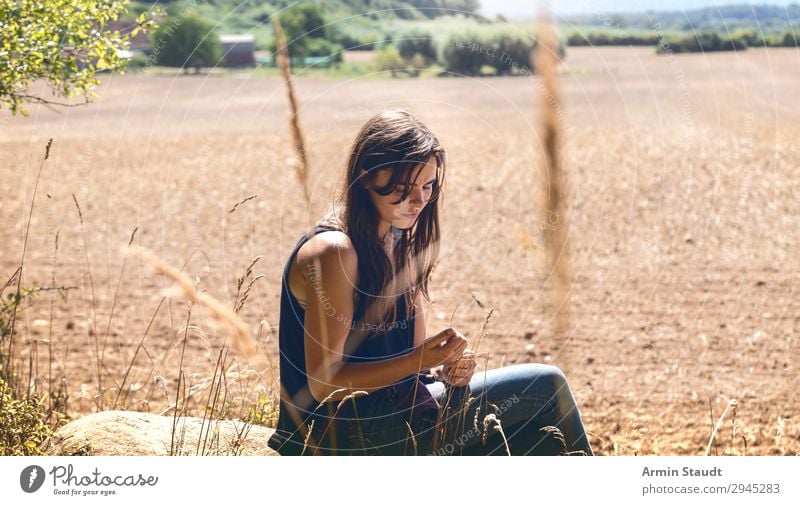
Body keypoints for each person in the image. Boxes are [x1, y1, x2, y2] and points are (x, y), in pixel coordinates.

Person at [267, 109, 593, 456]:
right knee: (547, 386)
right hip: (337, 433)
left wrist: (449, 372)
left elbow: (411, 364)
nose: (421, 200)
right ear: (365, 177)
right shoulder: (334, 252)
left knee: (537, 439)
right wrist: (416, 363)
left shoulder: (400, 243)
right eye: (407, 188)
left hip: (394, 416)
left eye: (429, 186)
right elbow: (322, 383)